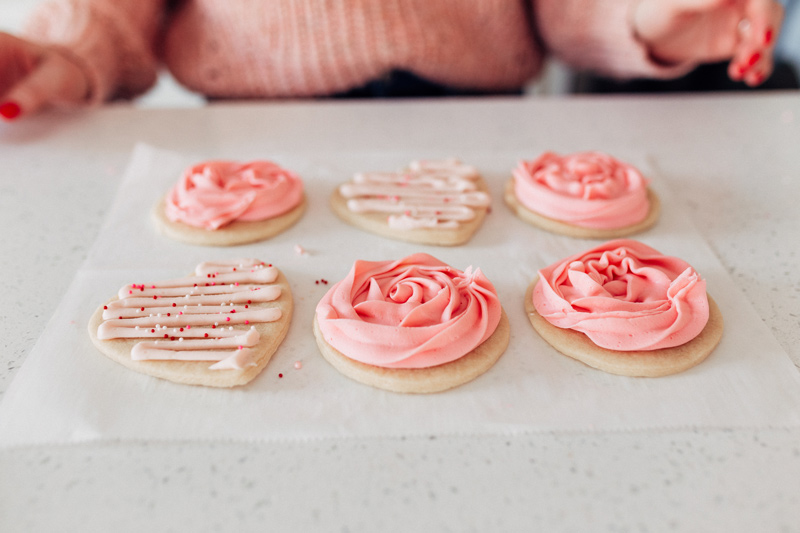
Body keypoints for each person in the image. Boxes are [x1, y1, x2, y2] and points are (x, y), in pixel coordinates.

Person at [0, 0, 785, 121]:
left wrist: (645, 15)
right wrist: (60, 53)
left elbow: (564, 12)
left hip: (479, 126)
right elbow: (108, 12)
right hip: (255, 135)